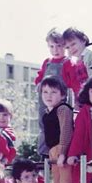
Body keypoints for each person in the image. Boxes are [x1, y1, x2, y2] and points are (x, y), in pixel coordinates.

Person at [40, 75, 76, 183]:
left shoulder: (63, 109)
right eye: (45, 92)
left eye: (53, 92)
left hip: (62, 150)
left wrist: (62, 153)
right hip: (53, 151)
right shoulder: (47, 112)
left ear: (62, 95)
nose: (48, 95)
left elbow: (66, 131)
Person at [34, 27, 68, 156]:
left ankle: (58, 151)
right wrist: (38, 83)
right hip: (45, 100)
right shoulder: (47, 63)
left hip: (59, 101)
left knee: (59, 126)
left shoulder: (67, 62)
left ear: (64, 46)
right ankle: (43, 153)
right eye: (52, 46)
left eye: (59, 46)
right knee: (43, 124)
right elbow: (40, 76)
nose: (55, 50)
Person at [61, 27, 92, 105]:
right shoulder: (76, 61)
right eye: (67, 47)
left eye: (73, 44)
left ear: (83, 40)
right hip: (84, 98)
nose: (71, 49)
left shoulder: (90, 57)